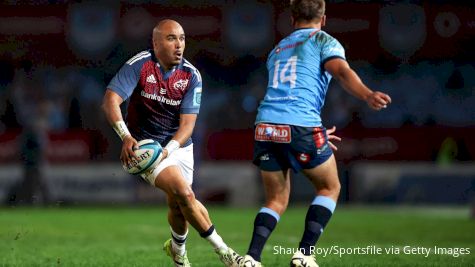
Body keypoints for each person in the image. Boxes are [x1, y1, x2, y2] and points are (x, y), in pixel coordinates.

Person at [239, 1, 392, 266]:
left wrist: (313, 132)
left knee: (275, 200)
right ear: (324, 19)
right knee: (330, 187)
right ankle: (305, 254)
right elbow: (341, 72)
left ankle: (252, 258)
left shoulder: (277, 49)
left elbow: (287, 94)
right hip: (301, 125)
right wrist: (367, 94)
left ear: (291, 18)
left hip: (265, 126)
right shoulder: (323, 40)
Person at [102, 19, 241, 267]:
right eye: (171, 38)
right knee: (185, 193)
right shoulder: (140, 65)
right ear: (155, 44)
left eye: (182, 38)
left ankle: (177, 252)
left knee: (180, 205)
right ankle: (227, 255)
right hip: (147, 148)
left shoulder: (191, 75)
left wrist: (170, 150)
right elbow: (110, 100)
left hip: (178, 146)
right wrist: (125, 136)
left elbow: (188, 126)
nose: (179, 45)